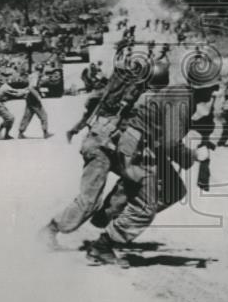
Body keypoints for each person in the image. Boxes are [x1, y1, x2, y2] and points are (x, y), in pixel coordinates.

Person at [83, 81, 216, 265]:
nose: (213, 92)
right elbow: (170, 143)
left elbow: (165, 126)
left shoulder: (180, 92)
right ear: (201, 87)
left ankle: (111, 215)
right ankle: (103, 245)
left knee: (173, 190)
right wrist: (194, 155)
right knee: (146, 206)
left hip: (145, 144)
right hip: (140, 147)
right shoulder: (182, 101)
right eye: (211, 88)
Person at [38, 54, 146, 249]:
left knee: (135, 180)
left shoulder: (111, 95)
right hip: (100, 148)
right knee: (89, 200)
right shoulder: (118, 99)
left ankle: (103, 217)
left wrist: (75, 129)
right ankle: (51, 229)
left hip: (109, 148)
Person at [18, 64, 52, 139]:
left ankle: (20, 132)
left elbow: (34, 87)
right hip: (33, 98)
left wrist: (40, 92)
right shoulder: (35, 76)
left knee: (27, 115)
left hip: (29, 97)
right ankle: (45, 133)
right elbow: (31, 88)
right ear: (40, 70)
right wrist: (38, 96)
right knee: (43, 115)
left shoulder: (34, 75)